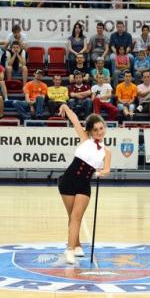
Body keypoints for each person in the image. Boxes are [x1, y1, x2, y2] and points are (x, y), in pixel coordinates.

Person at [57, 104, 111, 265]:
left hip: (84, 184)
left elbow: (107, 168)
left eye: (101, 128)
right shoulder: (84, 138)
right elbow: (74, 119)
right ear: (90, 131)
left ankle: (70, 250)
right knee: (72, 217)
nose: (100, 132)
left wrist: (101, 172)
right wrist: (66, 107)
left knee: (76, 217)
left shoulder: (106, 151)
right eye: (96, 130)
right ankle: (77, 245)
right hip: (68, 180)